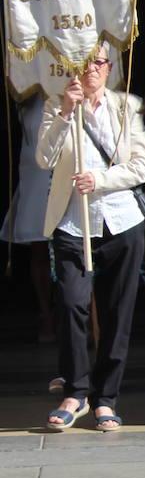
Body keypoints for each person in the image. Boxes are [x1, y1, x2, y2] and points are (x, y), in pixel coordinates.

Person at [36, 43, 145, 433]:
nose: (91, 70)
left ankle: (106, 398)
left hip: (121, 222)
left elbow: (144, 164)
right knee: (71, 304)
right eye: (84, 62)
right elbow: (44, 158)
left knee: (117, 311)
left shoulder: (128, 107)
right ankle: (75, 391)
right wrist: (67, 112)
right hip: (73, 223)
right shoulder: (57, 105)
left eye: (99, 62)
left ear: (110, 68)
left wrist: (101, 180)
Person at [2, 94, 57, 350]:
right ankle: (46, 314)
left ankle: (87, 316)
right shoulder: (31, 101)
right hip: (37, 164)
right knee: (40, 243)